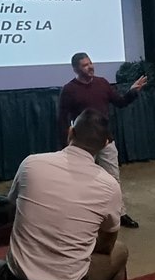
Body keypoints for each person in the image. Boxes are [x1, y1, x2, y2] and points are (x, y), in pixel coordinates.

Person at [0, 109, 128, 280]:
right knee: (120, 250)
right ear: (106, 143)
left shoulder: (31, 163)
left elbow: (12, 211)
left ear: (70, 132)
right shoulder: (110, 186)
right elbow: (106, 246)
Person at [57, 52, 147, 227]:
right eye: (85, 65)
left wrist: (132, 91)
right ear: (75, 69)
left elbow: (120, 102)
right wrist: (66, 146)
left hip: (105, 140)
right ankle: (84, 216)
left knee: (113, 178)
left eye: (90, 63)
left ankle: (119, 214)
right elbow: (62, 120)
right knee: (82, 180)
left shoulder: (102, 83)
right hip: (82, 145)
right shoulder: (69, 90)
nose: (90, 67)